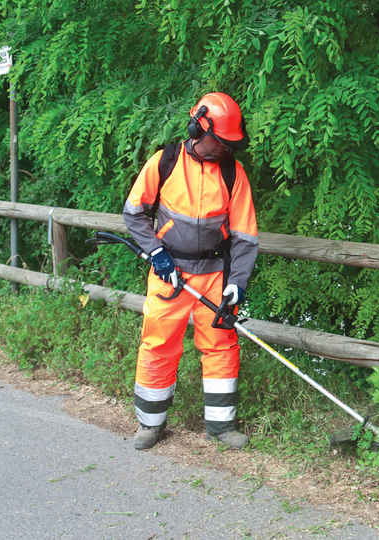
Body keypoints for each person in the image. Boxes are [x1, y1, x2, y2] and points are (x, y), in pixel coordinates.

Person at [123, 92, 258, 450]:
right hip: (169, 273)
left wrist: (237, 285)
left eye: (230, 143)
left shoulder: (233, 173)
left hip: (214, 273)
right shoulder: (164, 162)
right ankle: (150, 424)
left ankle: (221, 426)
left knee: (221, 345)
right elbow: (134, 213)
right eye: (220, 141)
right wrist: (156, 253)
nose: (226, 148)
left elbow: (245, 237)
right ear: (199, 129)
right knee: (158, 344)